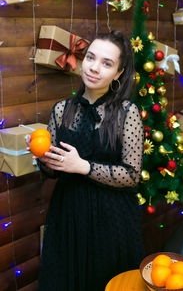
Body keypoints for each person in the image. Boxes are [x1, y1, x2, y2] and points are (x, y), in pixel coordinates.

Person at [36, 30, 145, 290]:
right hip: (69, 215)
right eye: (91, 58)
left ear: (118, 73)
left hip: (111, 219)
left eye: (107, 63)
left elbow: (131, 175)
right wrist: (45, 160)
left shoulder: (126, 113)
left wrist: (83, 166)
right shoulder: (61, 110)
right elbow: (51, 170)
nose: (94, 68)